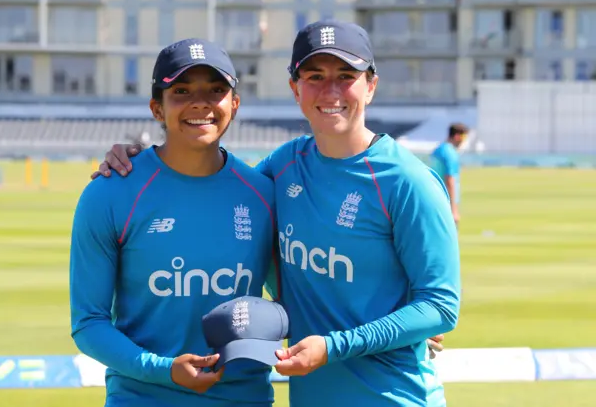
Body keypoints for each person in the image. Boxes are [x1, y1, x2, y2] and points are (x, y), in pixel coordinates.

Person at [91, 20, 461, 407]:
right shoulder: (282, 167)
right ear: (295, 88)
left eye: (346, 76)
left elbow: (440, 306)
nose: (330, 90)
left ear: (371, 85)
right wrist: (134, 160)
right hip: (312, 395)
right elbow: (210, 177)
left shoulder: (409, 181)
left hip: (393, 397)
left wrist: (336, 345)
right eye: (315, 76)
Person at [69, 38, 279, 407]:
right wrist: (163, 369)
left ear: (235, 104)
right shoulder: (109, 193)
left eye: (216, 90)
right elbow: (89, 323)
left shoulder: (264, 194)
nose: (200, 102)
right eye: (181, 91)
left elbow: (293, 301)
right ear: (156, 108)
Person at [430, 123, 469, 226]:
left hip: (433, 198)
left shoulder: (439, 150)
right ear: (457, 136)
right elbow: (449, 179)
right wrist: (454, 210)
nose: (464, 140)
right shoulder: (450, 153)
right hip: (443, 201)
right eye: (464, 137)